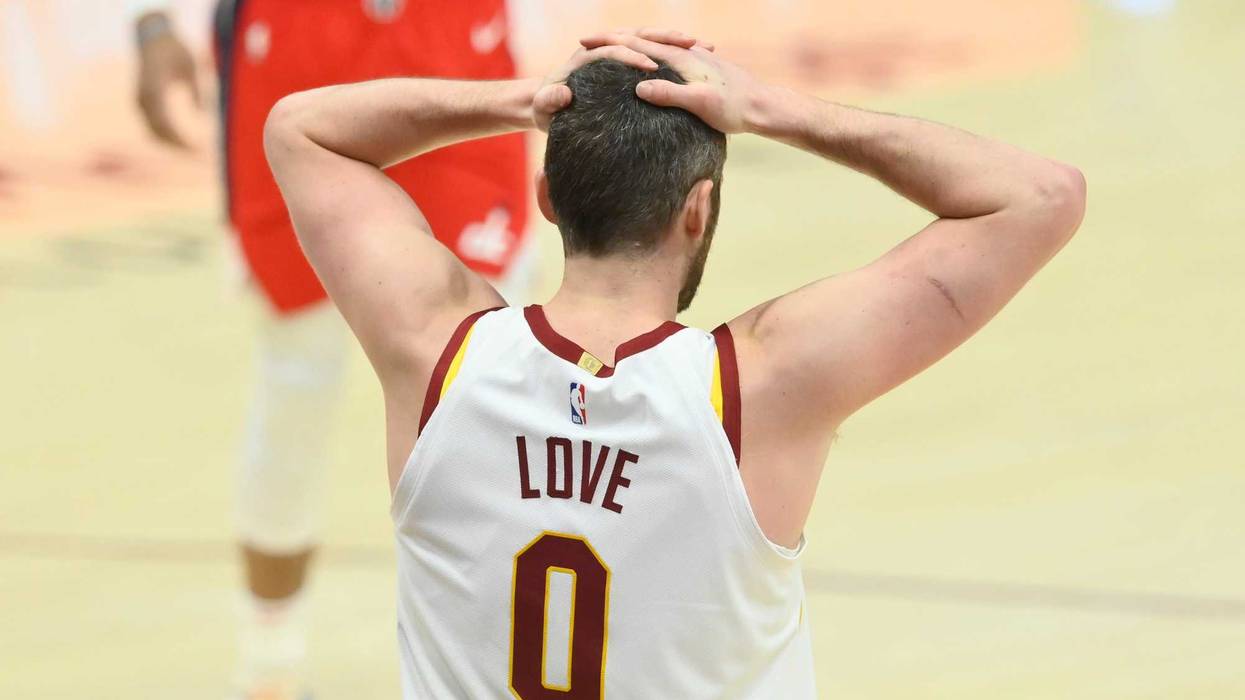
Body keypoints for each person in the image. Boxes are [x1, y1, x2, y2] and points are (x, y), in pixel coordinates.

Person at [264, 27, 1086, 698]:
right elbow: (1039, 196)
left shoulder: (436, 351)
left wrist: (527, 100)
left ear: (548, 198)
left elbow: (302, 129)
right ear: (698, 209)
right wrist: (770, 109)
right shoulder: (759, 386)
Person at [130, 1, 531, 697]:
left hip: (448, 36)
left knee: (493, 392)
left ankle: (494, 666)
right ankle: (268, 669)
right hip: (298, 39)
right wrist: (151, 19)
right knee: (296, 391)